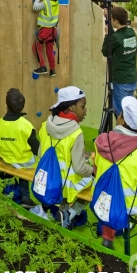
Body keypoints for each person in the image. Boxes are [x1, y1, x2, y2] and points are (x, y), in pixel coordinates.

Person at [94, 96, 137, 249]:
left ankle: (108, 235)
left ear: (121, 120)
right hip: (129, 204)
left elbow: (96, 172)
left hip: (103, 199)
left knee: (111, 190)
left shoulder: (102, 140)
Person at [38, 86, 94, 228]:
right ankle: (71, 213)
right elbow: (80, 168)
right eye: (83, 106)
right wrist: (92, 169)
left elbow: (40, 154)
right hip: (66, 186)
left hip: (46, 180)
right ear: (71, 108)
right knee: (94, 181)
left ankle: (54, 211)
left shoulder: (45, 126)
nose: (85, 110)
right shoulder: (76, 133)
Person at [0, 88, 39, 208]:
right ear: (23, 106)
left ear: (6, 105)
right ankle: (25, 198)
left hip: (6, 159)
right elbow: (35, 147)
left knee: (8, 164)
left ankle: (5, 190)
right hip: (23, 161)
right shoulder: (25, 125)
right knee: (26, 165)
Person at [101, 6, 137, 117]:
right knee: (129, 113)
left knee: (121, 115)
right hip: (131, 80)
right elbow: (116, 38)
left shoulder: (115, 38)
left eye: (111, 19)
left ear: (116, 21)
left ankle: (121, 134)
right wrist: (107, 17)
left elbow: (105, 51)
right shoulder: (131, 32)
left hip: (120, 82)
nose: (111, 21)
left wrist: (107, 34)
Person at [32, 0, 62, 77]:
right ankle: (52, 70)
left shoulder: (45, 3)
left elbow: (35, 7)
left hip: (45, 31)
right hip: (53, 31)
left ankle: (43, 67)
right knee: (49, 51)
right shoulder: (56, 3)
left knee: (36, 47)